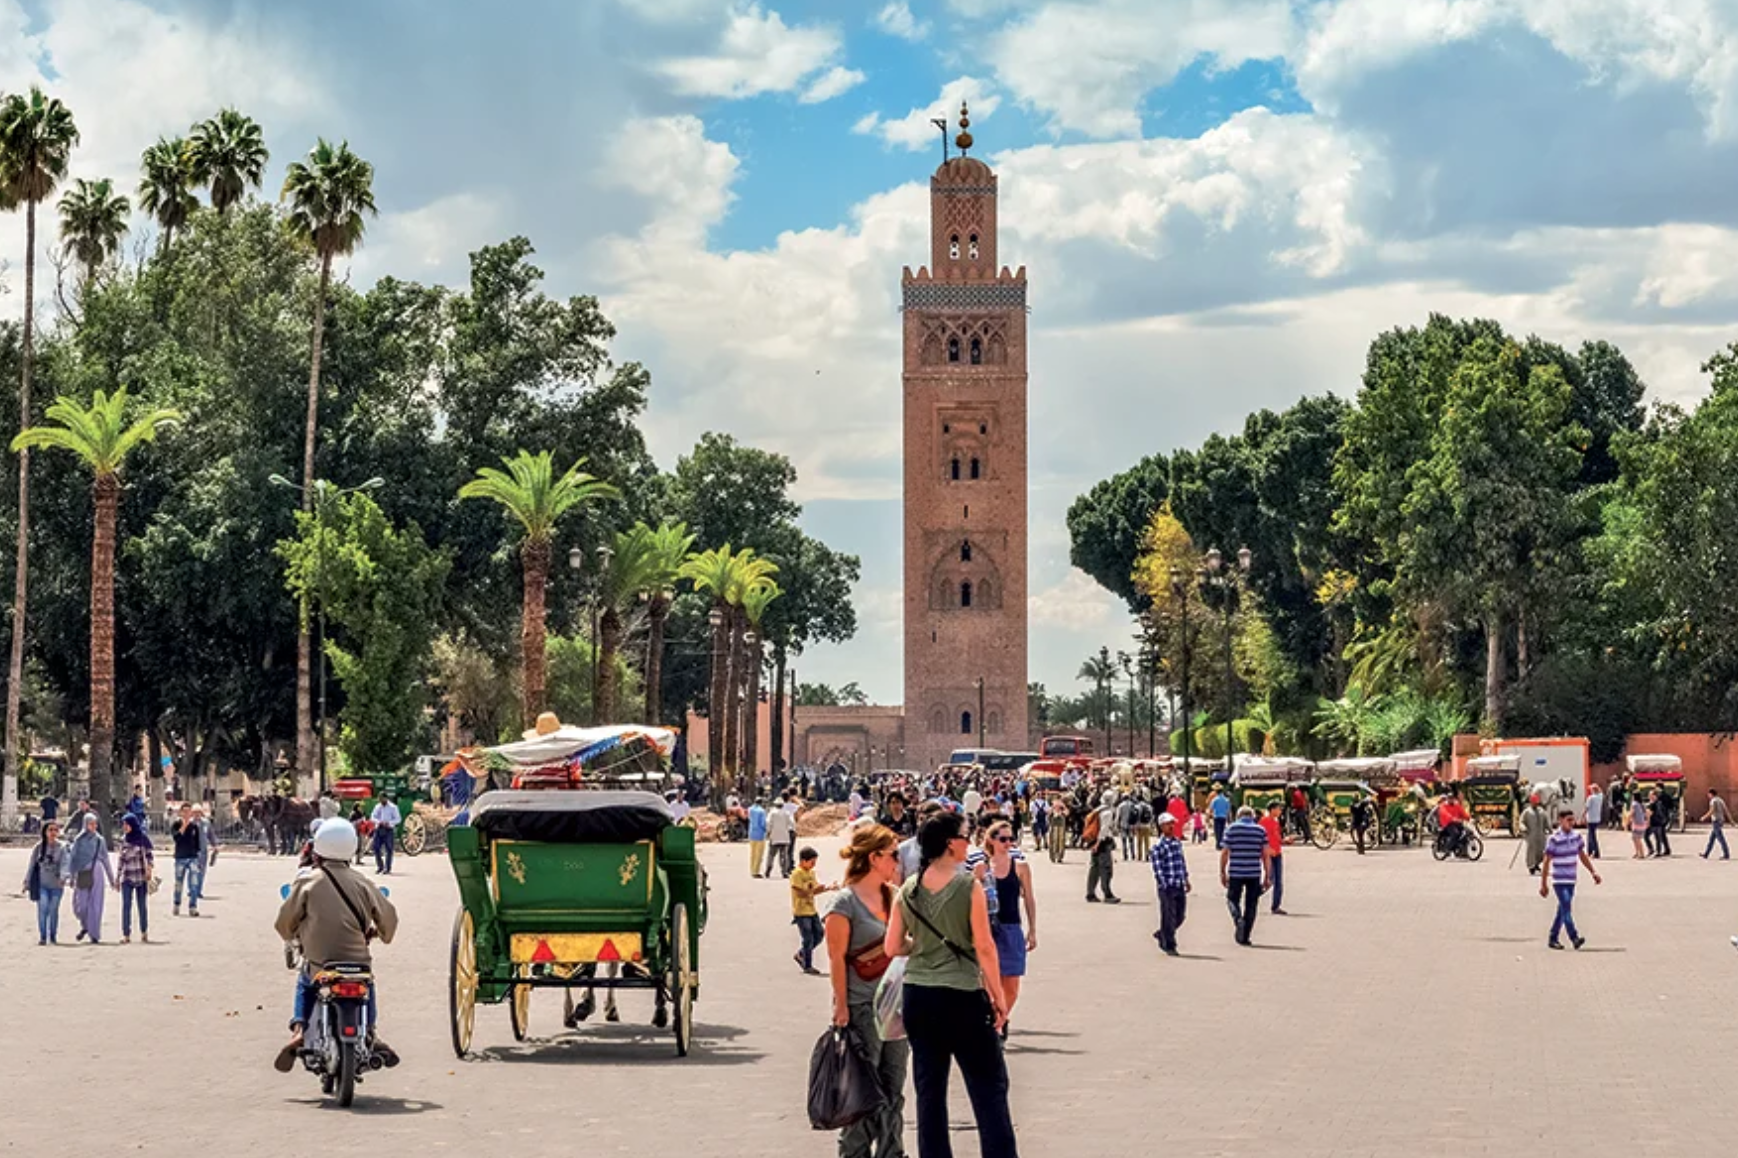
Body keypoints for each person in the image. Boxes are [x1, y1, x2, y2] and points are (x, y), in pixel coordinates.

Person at [885, 811, 1019, 1158]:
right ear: (949, 844)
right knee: (988, 1086)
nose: (969, 842)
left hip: (918, 995)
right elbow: (985, 946)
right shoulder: (966, 885)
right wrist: (999, 996)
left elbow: (893, 946)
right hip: (961, 995)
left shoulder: (909, 888)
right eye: (964, 836)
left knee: (929, 1092)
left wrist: (924, 948)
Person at [273, 819, 400, 1072]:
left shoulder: (307, 881)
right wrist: (382, 934)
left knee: (305, 981)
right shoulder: (363, 883)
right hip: (357, 962)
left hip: (320, 963)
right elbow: (389, 919)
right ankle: (371, 1032)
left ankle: (299, 1029)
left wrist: (293, 934)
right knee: (367, 984)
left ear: (318, 846)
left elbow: (283, 924)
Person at [824, 824, 909, 1158]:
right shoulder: (843, 903)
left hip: (897, 1007)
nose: (897, 861)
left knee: (894, 1086)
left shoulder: (894, 896)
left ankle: (892, 1152)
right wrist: (841, 1006)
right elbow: (835, 958)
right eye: (892, 854)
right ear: (874, 858)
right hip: (861, 1006)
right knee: (861, 1089)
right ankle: (854, 1153)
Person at [980, 818, 1036, 1034]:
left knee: (1011, 983)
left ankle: (1001, 1018)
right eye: (1003, 839)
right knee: (986, 983)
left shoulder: (1020, 866)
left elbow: (1029, 898)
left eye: (1011, 839)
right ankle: (991, 1025)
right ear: (991, 840)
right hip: (988, 928)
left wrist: (1032, 929)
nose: (1008, 843)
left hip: (1012, 927)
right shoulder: (982, 868)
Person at [1540, 806, 1601, 950]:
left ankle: (1553, 937)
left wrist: (1593, 872)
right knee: (1567, 907)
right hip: (1559, 881)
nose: (1571, 823)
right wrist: (1543, 884)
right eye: (1568, 820)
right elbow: (1546, 861)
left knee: (1562, 909)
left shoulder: (1576, 837)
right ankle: (1574, 937)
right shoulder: (1554, 839)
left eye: (1572, 820)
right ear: (1560, 821)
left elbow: (1582, 856)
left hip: (1571, 879)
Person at [1220, 806, 1272, 946]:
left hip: (1236, 871)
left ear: (1238, 816)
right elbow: (1266, 854)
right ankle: (1245, 936)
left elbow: (1225, 852)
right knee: (1251, 904)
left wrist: (1222, 872)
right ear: (1252, 816)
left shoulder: (1231, 829)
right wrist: (1268, 875)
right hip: (1254, 872)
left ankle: (1238, 919)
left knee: (1232, 899)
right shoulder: (1260, 830)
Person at [69, 812, 115, 943]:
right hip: (82, 873)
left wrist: (111, 879)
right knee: (81, 906)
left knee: (96, 904)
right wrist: (71, 876)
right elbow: (73, 858)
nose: (93, 826)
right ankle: (85, 926)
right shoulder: (79, 840)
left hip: (97, 872)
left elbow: (105, 859)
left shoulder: (100, 840)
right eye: (91, 824)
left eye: (95, 824)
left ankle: (94, 934)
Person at [22, 820, 70, 945]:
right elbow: (32, 865)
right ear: (45, 832)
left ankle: (53, 935)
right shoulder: (38, 847)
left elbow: (65, 863)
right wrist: (26, 882)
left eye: (56, 830)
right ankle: (43, 936)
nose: (53, 833)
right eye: (50, 830)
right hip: (41, 884)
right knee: (42, 908)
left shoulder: (62, 847)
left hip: (56, 885)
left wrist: (64, 877)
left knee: (53, 910)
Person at [1149, 812, 1189, 955]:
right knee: (1168, 915)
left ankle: (1163, 933)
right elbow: (1157, 868)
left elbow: (1181, 862)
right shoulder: (1158, 846)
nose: (1171, 826)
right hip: (1167, 886)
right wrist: (1163, 883)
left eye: (1172, 823)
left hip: (1179, 883)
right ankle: (1170, 945)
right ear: (1161, 826)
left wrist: (1186, 879)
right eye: (1168, 824)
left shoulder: (1177, 842)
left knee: (1180, 915)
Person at [790, 846, 834, 974]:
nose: (813, 865)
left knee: (819, 934)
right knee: (807, 938)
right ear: (803, 861)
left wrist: (827, 887)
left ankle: (801, 954)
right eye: (812, 862)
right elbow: (799, 891)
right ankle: (807, 964)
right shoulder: (797, 874)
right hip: (801, 911)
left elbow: (814, 889)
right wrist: (815, 890)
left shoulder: (811, 873)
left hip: (811, 909)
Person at [116, 814, 156, 944]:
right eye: (123, 824)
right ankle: (126, 934)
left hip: (140, 876)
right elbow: (121, 860)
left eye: (126, 824)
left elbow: (149, 856)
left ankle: (144, 932)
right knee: (126, 906)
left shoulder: (142, 839)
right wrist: (117, 878)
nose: (124, 827)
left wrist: (149, 868)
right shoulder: (123, 840)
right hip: (127, 877)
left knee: (142, 906)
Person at [171, 801, 207, 917]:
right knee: (178, 883)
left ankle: (193, 906)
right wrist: (184, 826)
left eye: (189, 812)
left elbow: (197, 843)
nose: (187, 814)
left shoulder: (194, 827)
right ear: (181, 813)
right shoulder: (176, 824)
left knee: (194, 883)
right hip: (180, 857)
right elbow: (176, 838)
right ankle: (176, 904)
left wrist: (198, 857)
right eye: (184, 812)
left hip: (192, 858)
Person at [1086, 792, 1121, 904]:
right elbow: (1104, 830)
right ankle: (1107, 894)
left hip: (1093, 841)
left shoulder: (1097, 810)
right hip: (1102, 843)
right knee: (1106, 869)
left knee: (1094, 869)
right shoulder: (1108, 812)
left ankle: (1090, 893)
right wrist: (1098, 843)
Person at [1261, 801, 1287, 915]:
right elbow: (1261, 838)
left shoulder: (1276, 822)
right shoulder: (1264, 822)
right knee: (1270, 880)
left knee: (1278, 881)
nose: (1280, 811)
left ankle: (1276, 906)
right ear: (1272, 810)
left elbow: (1277, 838)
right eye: (1278, 809)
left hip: (1277, 853)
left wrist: (1284, 841)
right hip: (1269, 854)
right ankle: (1253, 896)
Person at [369, 793, 401, 874]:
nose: (381, 801)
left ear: (386, 798)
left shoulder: (393, 807)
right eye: (379, 799)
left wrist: (389, 823)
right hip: (379, 828)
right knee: (376, 848)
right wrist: (379, 822)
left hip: (388, 829)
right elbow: (373, 816)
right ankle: (380, 866)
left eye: (382, 799)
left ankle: (387, 868)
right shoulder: (377, 806)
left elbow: (398, 819)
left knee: (389, 849)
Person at [765, 795, 795, 879]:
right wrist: (790, 830)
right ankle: (784, 872)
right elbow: (792, 824)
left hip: (774, 837)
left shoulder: (772, 813)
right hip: (784, 837)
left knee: (771, 855)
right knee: (783, 856)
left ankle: (768, 870)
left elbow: (768, 823)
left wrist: (768, 832)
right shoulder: (786, 813)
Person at [1521, 796, 1548, 876]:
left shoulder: (1541, 811)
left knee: (1540, 851)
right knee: (1531, 851)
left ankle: (1536, 865)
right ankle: (1531, 867)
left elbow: (1546, 821)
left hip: (1540, 835)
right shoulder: (1527, 812)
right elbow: (1522, 821)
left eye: (1536, 802)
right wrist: (1523, 828)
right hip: (1531, 835)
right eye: (1534, 802)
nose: (1535, 804)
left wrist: (1549, 828)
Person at [1703, 789, 1730, 859]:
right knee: (1712, 839)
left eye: (1708, 794)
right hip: (1721, 820)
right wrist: (1731, 821)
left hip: (1716, 821)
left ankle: (1726, 854)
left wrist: (1704, 817)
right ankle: (1706, 853)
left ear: (1711, 794)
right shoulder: (1721, 800)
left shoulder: (1713, 801)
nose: (1708, 796)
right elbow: (1726, 811)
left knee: (1721, 838)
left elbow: (1712, 810)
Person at [1648, 789, 1673, 857]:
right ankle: (1664, 850)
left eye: (1651, 795)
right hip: (1657, 822)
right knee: (1660, 836)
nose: (1649, 796)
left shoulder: (1657, 803)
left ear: (1655, 796)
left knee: (1658, 837)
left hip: (1657, 822)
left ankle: (1658, 851)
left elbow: (1654, 813)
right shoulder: (1655, 802)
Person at [748, 797, 769, 876]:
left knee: (752, 854)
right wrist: (767, 830)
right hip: (760, 834)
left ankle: (752, 870)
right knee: (759, 854)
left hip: (751, 833)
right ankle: (756, 872)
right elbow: (763, 823)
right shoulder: (761, 811)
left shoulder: (750, 809)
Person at [1582, 783, 1603, 859]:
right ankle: (1589, 851)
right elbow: (1601, 792)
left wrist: (1583, 816)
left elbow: (1586, 808)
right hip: (1597, 818)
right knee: (1590, 835)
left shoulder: (1590, 798)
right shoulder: (1600, 797)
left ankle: (1596, 852)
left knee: (1592, 836)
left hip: (1590, 818)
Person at [1630, 793, 1649, 858]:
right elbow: (1646, 813)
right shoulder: (1642, 804)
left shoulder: (1634, 804)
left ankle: (1641, 853)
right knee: (1635, 838)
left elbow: (1632, 813)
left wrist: (1627, 819)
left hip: (1636, 823)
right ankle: (1637, 852)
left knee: (1637, 839)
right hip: (1642, 823)